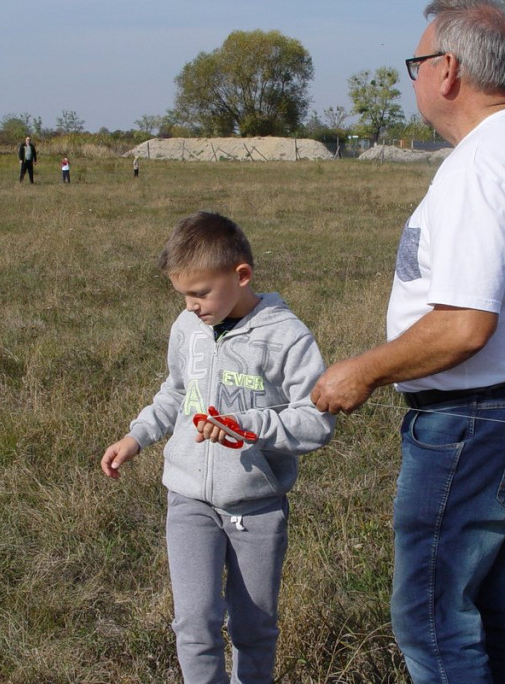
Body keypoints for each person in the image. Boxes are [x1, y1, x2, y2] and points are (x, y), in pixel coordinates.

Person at [311, 2, 505, 682]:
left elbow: (465, 325)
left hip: (480, 418)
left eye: (416, 64)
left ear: (449, 70)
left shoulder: (482, 167)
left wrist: (364, 371)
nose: (414, 80)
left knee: (432, 617)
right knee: (484, 605)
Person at [101, 211, 335, 684]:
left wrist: (248, 427)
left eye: (200, 293)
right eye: (183, 295)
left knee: (253, 626)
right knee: (194, 623)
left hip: (257, 506)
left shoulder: (286, 336)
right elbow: (174, 391)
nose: (190, 305)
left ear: (241, 275)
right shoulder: (188, 328)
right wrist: (137, 436)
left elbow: (316, 421)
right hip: (188, 499)